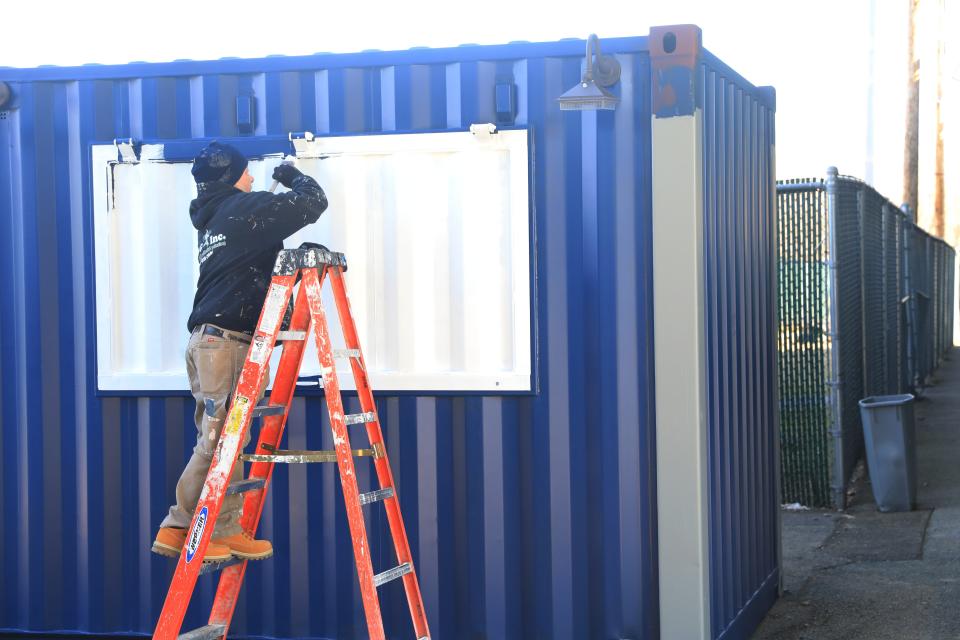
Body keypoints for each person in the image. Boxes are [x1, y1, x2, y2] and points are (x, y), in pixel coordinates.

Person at [152, 142, 328, 562]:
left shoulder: (214, 217)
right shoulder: (244, 210)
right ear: (232, 176)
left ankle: (220, 527)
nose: (252, 179)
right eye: (246, 173)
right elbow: (313, 202)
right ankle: (187, 527)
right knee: (218, 442)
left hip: (215, 340)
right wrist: (289, 175)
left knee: (228, 440)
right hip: (225, 341)